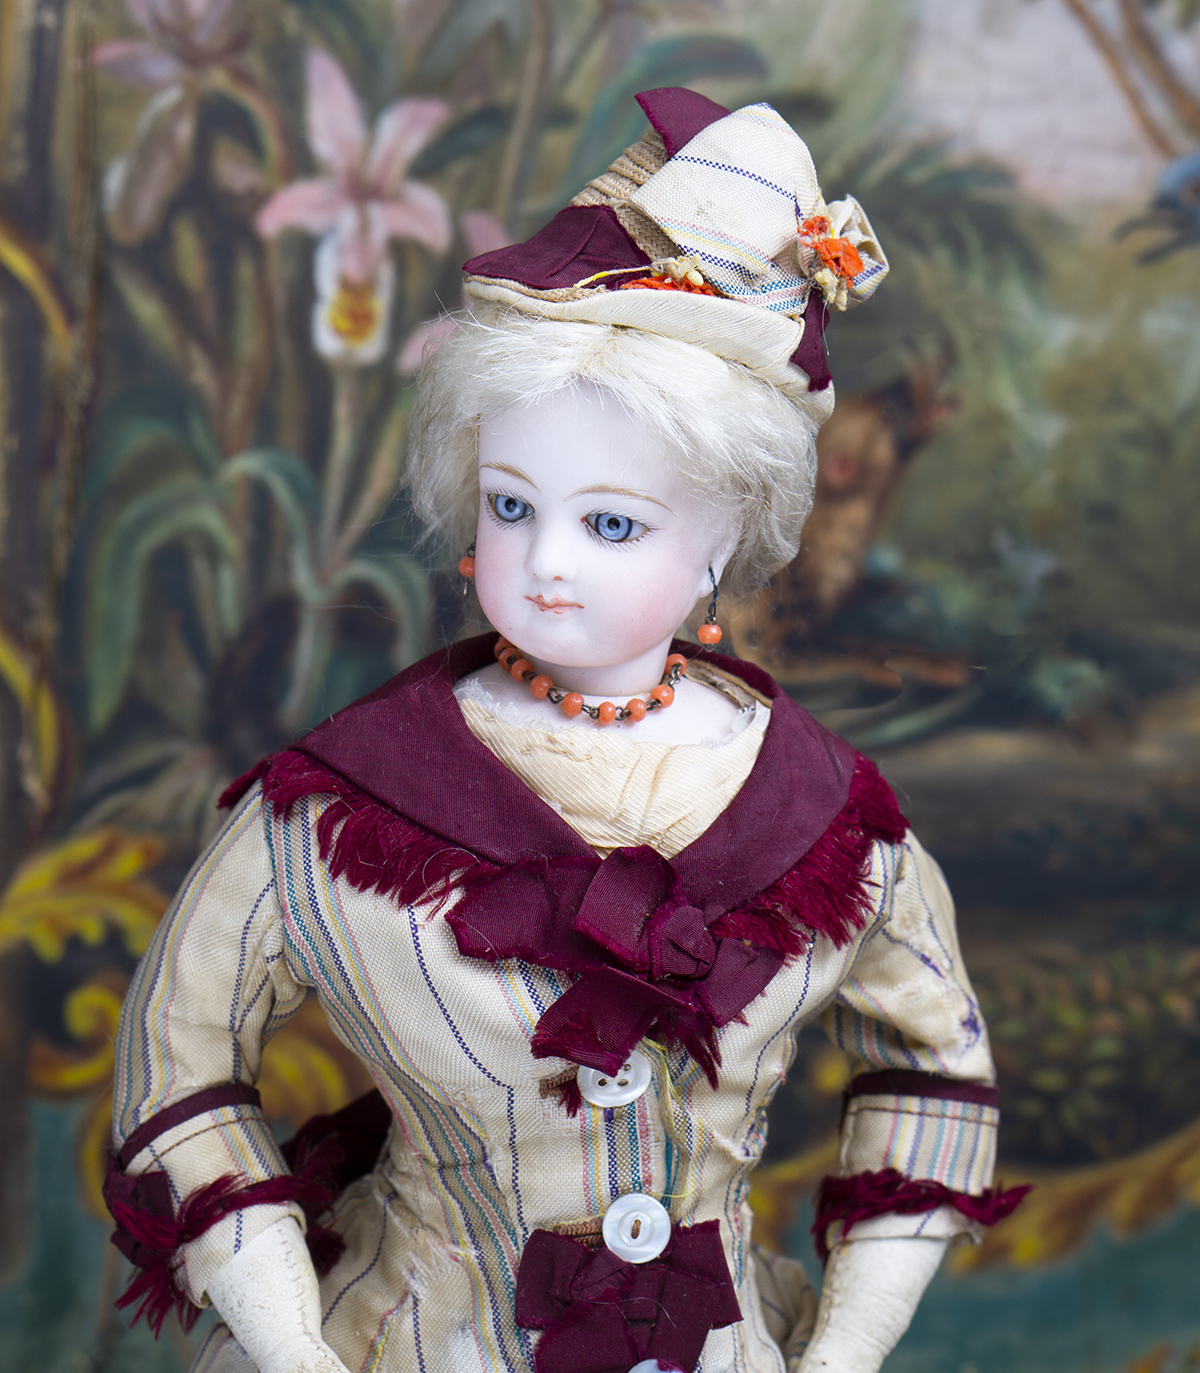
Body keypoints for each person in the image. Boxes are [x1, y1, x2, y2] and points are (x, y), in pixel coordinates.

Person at [105, 88, 1023, 1373]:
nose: (544, 562)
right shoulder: (337, 810)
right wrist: (287, 1339)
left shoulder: (827, 820)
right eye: (509, 503)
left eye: (611, 523)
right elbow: (179, 1053)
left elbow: (933, 1067)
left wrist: (847, 1344)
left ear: (724, 534)